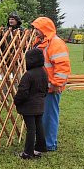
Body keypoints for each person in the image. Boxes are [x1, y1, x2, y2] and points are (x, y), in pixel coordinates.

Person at [31, 17, 71, 151]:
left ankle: (49, 144)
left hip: (51, 87)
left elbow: (63, 66)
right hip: (41, 86)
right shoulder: (41, 42)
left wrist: (56, 84)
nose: (35, 31)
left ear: (45, 29)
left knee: (49, 115)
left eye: (37, 28)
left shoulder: (56, 43)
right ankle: (42, 140)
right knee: (42, 115)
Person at [13, 48, 49, 159]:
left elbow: (23, 92)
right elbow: (46, 89)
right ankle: (39, 149)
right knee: (39, 127)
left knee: (31, 129)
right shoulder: (44, 72)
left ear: (31, 60)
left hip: (29, 107)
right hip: (40, 105)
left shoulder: (28, 75)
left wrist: (16, 100)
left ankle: (28, 153)